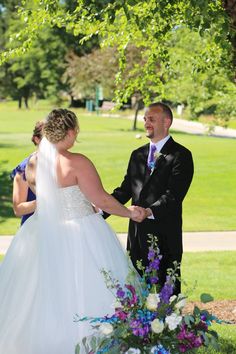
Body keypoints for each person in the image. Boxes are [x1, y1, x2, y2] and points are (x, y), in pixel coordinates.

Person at [0, 109, 142, 354]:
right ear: (68, 131)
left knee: (39, 292)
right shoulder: (77, 161)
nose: (77, 133)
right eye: (75, 129)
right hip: (80, 230)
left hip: (40, 232)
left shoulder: (34, 161)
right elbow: (102, 200)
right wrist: (131, 213)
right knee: (87, 287)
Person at [104, 102, 194, 294]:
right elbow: (125, 190)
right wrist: (100, 211)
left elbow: (174, 195)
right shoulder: (137, 155)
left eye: (151, 119)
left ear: (167, 122)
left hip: (165, 236)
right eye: (145, 119)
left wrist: (149, 211)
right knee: (136, 292)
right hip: (136, 236)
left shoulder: (181, 155)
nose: (146, 123)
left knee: (166, 296)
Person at [10, 121, 44, 225]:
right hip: (34, 227)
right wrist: (47, 202)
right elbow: (18, 209)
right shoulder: (23, 169)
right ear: (36, 139)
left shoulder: (62, 163)